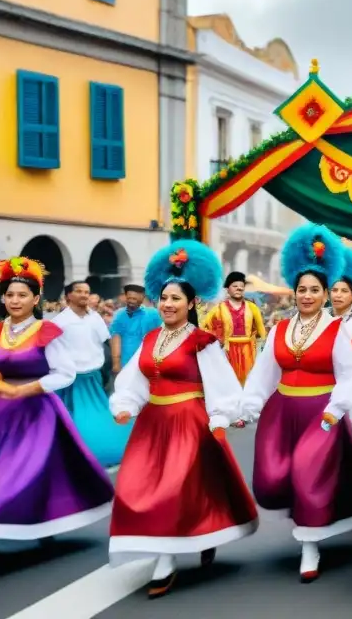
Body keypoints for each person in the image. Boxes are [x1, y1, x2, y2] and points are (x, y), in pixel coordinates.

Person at [109, 241, 258, 598]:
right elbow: (135, 378)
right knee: (137, 486)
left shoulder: (201, 341)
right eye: (163, 299)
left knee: (174, 487)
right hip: (152, 423)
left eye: (176, 299)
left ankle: (165, 560)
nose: (168, 304)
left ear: (191, 303)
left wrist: (220, 416)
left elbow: (221, 383)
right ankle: (201, 532)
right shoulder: (150, 339)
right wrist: (126, 404)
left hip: (189, 421)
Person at [240, 225, 352, 582]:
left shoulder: (335, 330)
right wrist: (248, 408)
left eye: (315, 290)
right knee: (270, 480)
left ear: (327, 293)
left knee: (308, 473)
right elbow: (264, 374)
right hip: (282, 414)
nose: (308, 296)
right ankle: (307, 519)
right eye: (302, 290)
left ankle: (310, 548)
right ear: (294, 292)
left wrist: (336, 409)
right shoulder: (281, 329)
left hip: (322, 414)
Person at [0, 257, 115, 541]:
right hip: (2, 412)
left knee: (20, 473)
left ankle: (34, 524)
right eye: (9, 295)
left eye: (22, 295)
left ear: (36, 298)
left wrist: (21, 390)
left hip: (35, 414)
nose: (15, 300)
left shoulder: (47, 331)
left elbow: (65, 373)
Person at [53, 280, 131, 467]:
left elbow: (107, 340)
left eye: (87, 292)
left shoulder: (95, 318)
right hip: (71, 380)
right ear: (68, 296)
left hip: (94, 376)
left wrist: (115, 362)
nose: (84, 295)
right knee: (75, 419)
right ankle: (78, 455)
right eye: (79, 291)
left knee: (101, 415)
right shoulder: (59, 322)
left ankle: (102, 449)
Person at [202, 271, 267, 386]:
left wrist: (263, 349)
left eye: (242, 286)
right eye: (235, 286)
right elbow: (204, 327)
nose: (239, 289)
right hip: (227, 350)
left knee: (248, 383)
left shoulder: (252, 308)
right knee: (228, 383)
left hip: (248, 351)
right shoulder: (218, 309)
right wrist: (217, 339)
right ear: (228, 289)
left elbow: (262, 333)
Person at [109, 284, 160, 376]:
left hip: (148, 362)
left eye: (135, 299)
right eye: (129, 298)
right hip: (126, 362)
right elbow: (116, 337)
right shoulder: (119, 315)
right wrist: (116, 363)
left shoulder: (153, 314)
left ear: (142, 298)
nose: (131, 301)